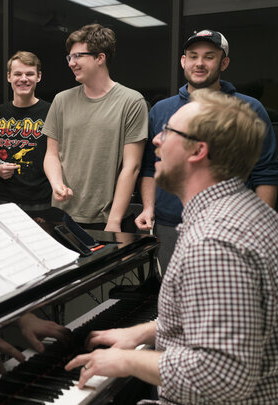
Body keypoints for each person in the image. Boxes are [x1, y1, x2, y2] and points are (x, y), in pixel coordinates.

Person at [65, 89, 278, 404]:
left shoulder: (215, 242)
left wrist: (126, 361)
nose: (156, 140)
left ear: (197, 151)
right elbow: (218, 316)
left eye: (168, 132)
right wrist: (141, 333)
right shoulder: (244, 211)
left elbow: (222, 375)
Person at [135, 29, 278, 269]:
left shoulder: (247, 109)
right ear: (183, 61)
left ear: (224, 62)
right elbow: (150, 166)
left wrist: (256, 224)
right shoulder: (161, 110)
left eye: (209, 56)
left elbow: (266, 172)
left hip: (231, 225)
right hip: (170, 225)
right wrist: (149, 208)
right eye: (193, 56)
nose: (199, 63)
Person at [43, 23, 147, 232]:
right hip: (63, 216)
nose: (71, 63)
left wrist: (115, 220)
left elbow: (131, 167)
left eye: (78, 56)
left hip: (108, 219)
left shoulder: (132, 102)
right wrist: (56, 184)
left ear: (100, 58)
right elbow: (51, 155)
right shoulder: (61, 100)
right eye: (69, 57)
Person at [0, 51, 52, 211]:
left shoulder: (51, 112)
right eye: (18, 74)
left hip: (42, 201)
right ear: (9, 77)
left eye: (29, 74)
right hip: (2, 200)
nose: (23, 79)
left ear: (39, 76)